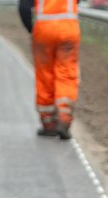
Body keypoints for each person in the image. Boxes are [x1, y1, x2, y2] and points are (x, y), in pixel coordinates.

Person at [18, 0, 79, 140]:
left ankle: (49, 123)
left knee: (45, 75)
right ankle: (64, 119)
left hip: (44, 30)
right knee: (67, 74)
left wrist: (31, 29)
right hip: (69, 29)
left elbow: (23, 8)